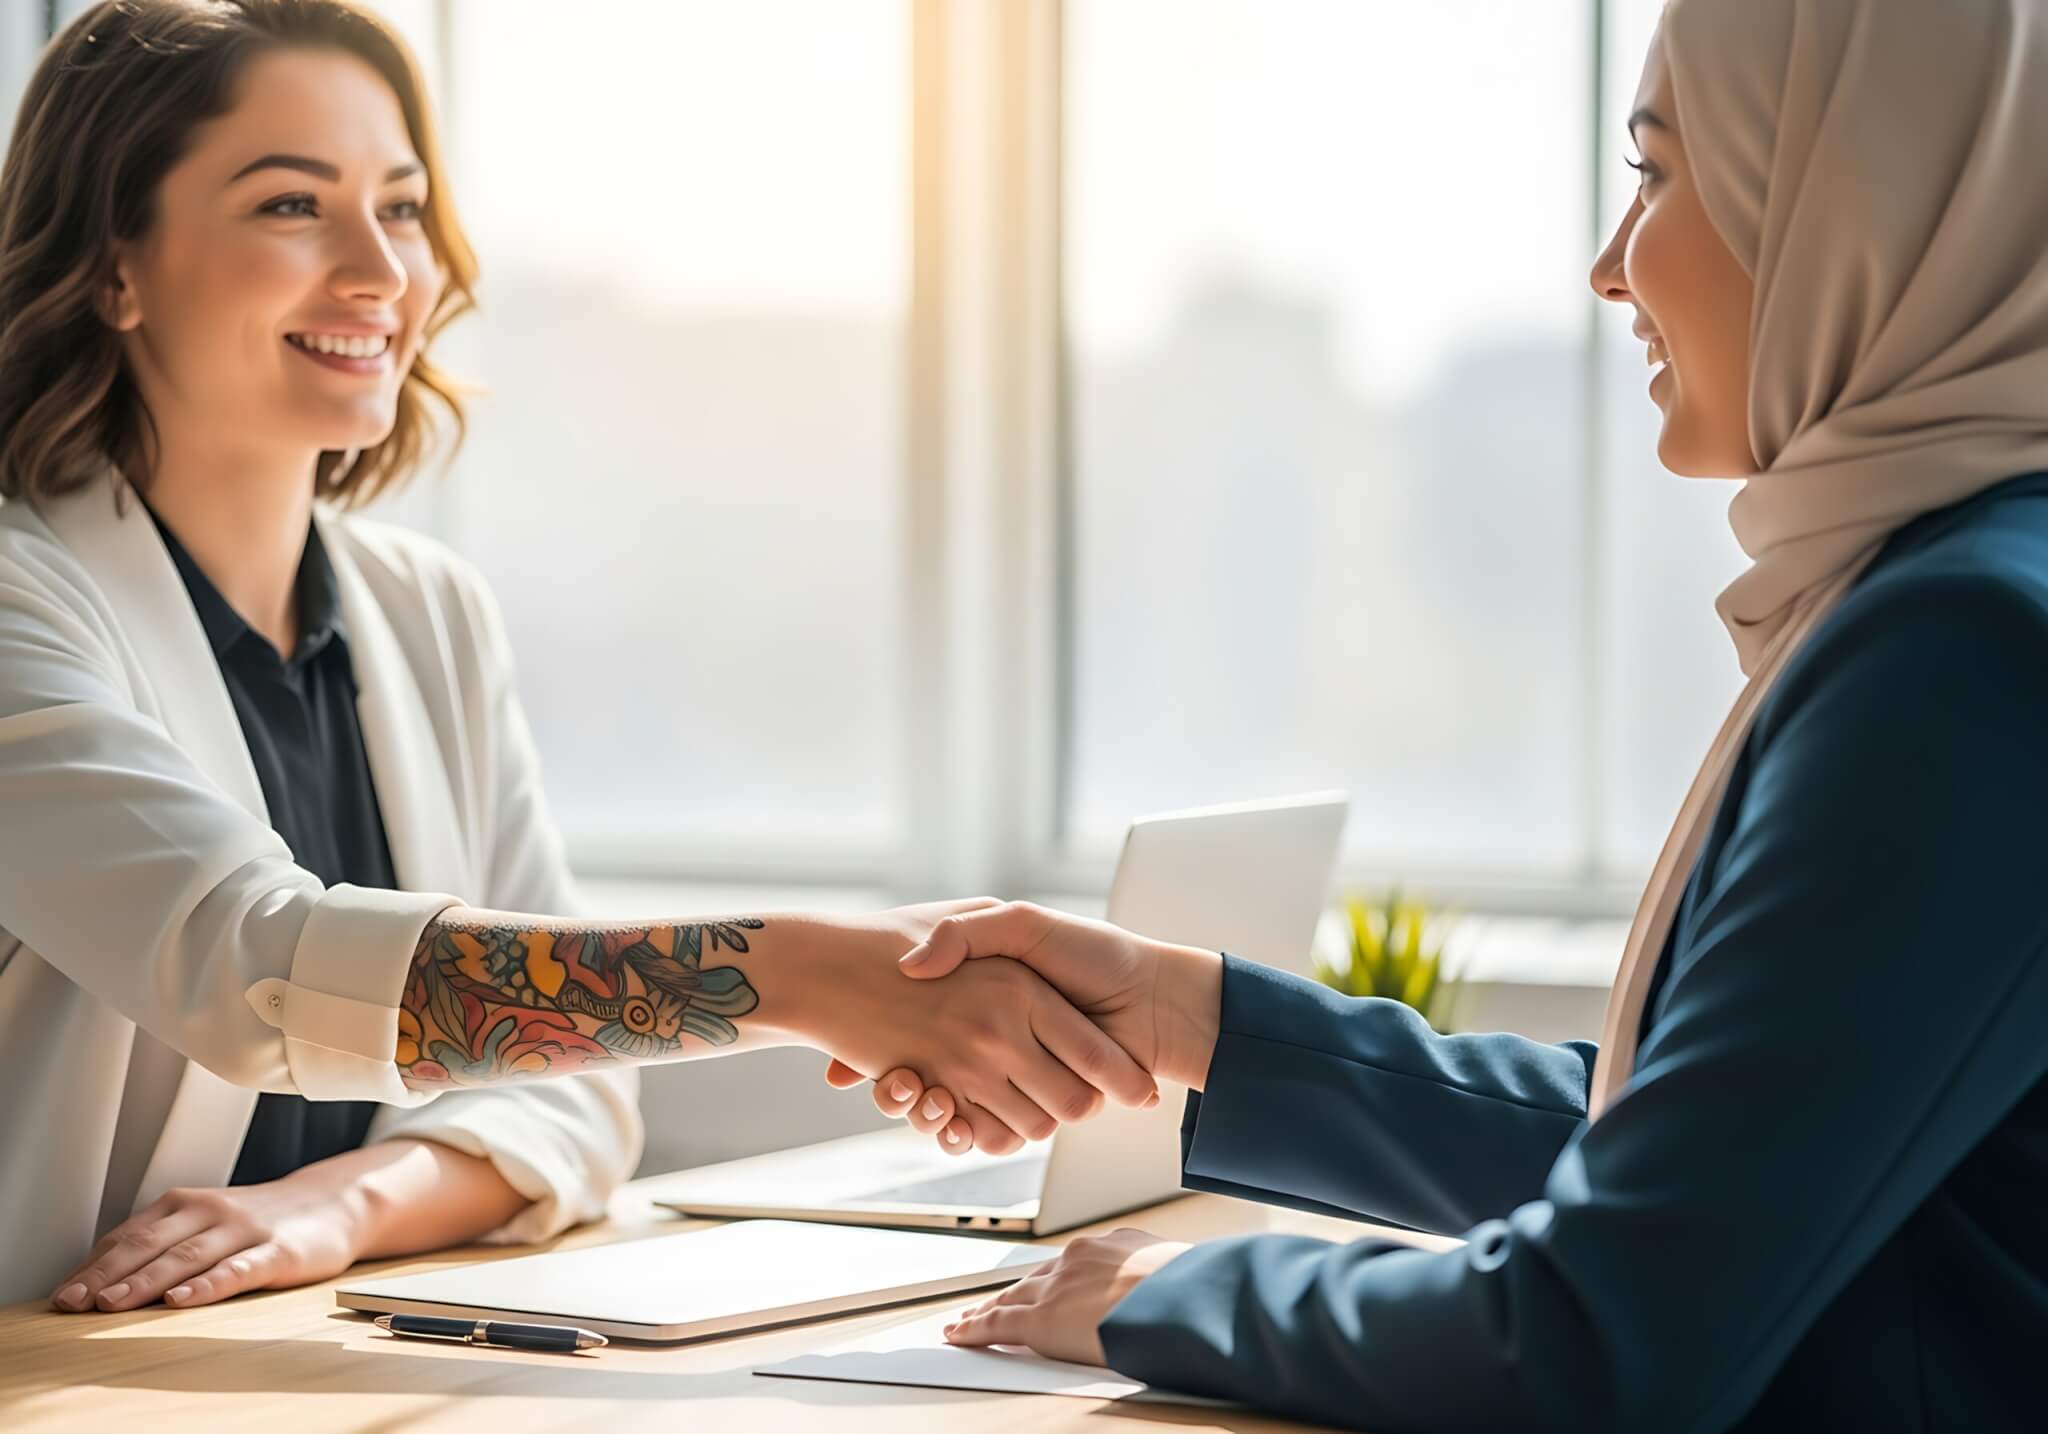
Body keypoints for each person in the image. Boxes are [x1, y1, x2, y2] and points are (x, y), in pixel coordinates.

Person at [851, 1, 2048, 1427]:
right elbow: (1699, 1157)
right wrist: (1194, 1015)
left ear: (1853, 196)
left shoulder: (1960, 648)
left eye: (1657, 176)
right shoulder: (1968, 590)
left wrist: (1158, 1297)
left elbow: (1604, 1333)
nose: (1610, 267)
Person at [0, 0, 1153, 1314]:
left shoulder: (428, 612)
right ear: (114, 268)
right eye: (290, 207)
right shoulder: (22, 606)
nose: (380, 268)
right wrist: (797, 971)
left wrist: (335, 1207)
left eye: (404, 206)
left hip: (309, 1349)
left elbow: (583, 1098)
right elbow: (251, 965)